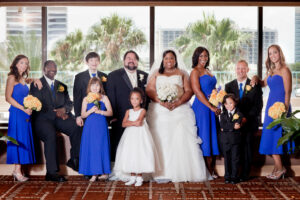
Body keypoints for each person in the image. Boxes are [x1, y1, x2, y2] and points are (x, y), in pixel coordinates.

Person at [146, 49, 210, 182]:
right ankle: (161, 172)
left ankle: (181, 170)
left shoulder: (182, 73)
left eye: (171, 58)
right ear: (162, 61)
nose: (169, 61)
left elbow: (189, 91)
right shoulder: (157, 73)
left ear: (175, 60)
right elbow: (150, 89)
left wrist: (178, 102)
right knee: (160, 138)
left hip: (179, 109)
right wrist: (160, 101)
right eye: (166, 58)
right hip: (160, 110)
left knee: (181, 138)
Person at [30, 60, 81, 182]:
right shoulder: (37, 84)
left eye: (54, 68)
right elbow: (38, 104)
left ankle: (74, 159)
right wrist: (57, 112)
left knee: (76, 126)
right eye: (49, 68)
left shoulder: (61, 85)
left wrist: (64, 110)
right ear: (44, 70)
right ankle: (51, 173)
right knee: (50, 135)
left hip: (59, 118)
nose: (52, 70)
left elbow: (69, 102)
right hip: (43, 119)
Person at [252, 44, 294, 180]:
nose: (272, 55)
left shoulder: (285, 70)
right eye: (270, 53)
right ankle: (277, 168)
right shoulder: (271, 71)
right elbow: (263, 83)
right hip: (270, 107)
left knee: (275, 137)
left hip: (280, 108)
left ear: (279, 53)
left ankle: (280, 168)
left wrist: (285, 111)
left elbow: (288, 92)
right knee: (270, 137)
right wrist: (255, 78)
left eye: (274, 52)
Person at [225, 60, 263, 181]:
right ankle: (233, 174)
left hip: (249, 122)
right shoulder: (229, 86)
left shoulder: (254, 85)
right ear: (235, 70)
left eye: (243, 68)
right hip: (234, 124)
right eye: (238, 68)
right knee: (235, 150)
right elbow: (226, 106)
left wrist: (246, 118)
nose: (240, 70)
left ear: (247, 70)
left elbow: (258, 106)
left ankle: (245, 175)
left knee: (247, 149)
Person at [106, 50, 148, 161]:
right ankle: (119, 167)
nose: (131, 60)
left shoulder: (145, 76)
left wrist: (144, 113)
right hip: (120, 117)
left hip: (140, 117)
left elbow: (147, 97)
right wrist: (112, 116)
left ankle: (137, 167)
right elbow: (110, 97)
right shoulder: (113, 76)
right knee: (120, 145)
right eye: (128, 58)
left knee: (138, 145)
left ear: (137, 62)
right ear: (124, 61)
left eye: (134, 58)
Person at [113, 88, 159, 187]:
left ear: (141, 100)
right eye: (132, 99)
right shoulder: (128, 111)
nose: (134, 101)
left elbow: (139, 122)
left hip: (140, 136)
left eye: (137, 99)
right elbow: (123, 124)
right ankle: (132, 177)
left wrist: (130, 123)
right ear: (130, 100)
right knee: (131, 153)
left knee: (139, 153)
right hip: (129, 136)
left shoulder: (143, 110)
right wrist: (133, 123)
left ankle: (139, 177)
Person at [190, 46, 220, 178]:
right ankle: (206, 171)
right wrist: (211, 107)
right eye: (201, 56)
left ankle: (211, 170)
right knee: (205, 136)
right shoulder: (195, 72)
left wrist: (218, 99)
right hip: (202, 108)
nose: (204, 58)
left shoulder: (208, 70)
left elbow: (212, 89)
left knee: (212, 136)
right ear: (196, 57)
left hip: (212, 106)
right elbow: (197, 92)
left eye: (206, 56)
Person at [5, 55, 36, 182]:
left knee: (23, 139)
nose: (24, 65)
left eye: (26, 63)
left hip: (25, 114)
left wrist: (34, 80)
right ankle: (17, 171)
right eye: (22, 63)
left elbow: (26, 83)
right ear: (16, 64)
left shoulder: (22, 79)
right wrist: (23, 109)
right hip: (17, 113)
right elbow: (8, 98)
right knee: (18, 139)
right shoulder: (11, 77)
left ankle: (18, 170)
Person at [79, 77, 112, 182]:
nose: (95, 87)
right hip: (90, 127)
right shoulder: (86, 99)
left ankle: (104, 172)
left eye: (97, 85)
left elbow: (111, 112)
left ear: (100, 87)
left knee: (100, 147)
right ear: (89, 87)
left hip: (101, 125)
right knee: (92, 148)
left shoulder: (104, 98)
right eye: (93, 85)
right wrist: (91, 111)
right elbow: (83, 115)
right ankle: (94, 173)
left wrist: (100, 112)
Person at [73, 52, 108, 127]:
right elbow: (77, 98)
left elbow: (107, 94)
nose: (94, 63)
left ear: (99, 62)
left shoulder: (104, 76)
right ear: (86, 62)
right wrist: (78, 116)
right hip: (86, 113)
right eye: (91, 60)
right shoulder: (79, 77)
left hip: (101, 114)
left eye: (96, 60)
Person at [219, 94, 243, 184]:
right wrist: (232, 126)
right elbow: (222, 126)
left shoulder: (239, 114)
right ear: (224, 105)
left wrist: (226, 128)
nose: (228, 105)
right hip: (225, 141)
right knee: (227, 159)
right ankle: (227, 176)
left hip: (235, 141)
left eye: (230, 103)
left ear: (235, 103)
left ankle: (234, 177)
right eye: (226, 104)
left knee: (235, 159)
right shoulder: (223, 115)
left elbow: (238, 126)